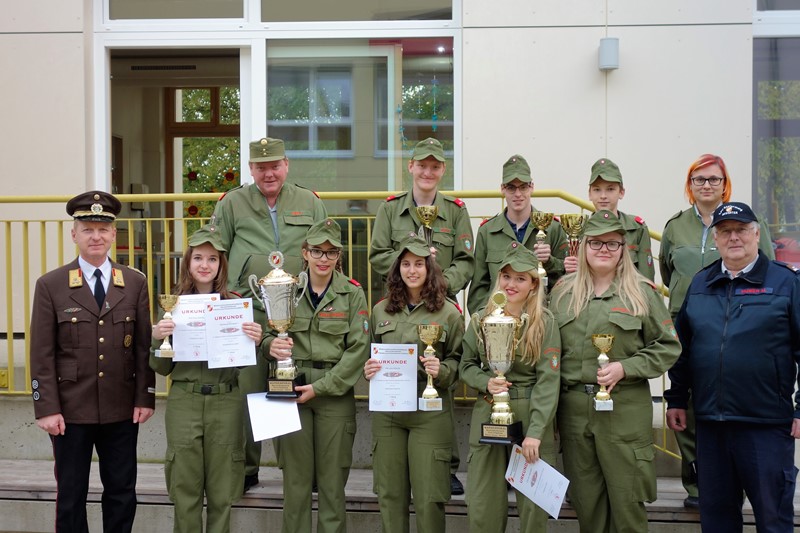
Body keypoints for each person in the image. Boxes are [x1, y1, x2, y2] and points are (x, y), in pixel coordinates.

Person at [665, 202, 800, 533]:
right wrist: (678, 397)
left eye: (741, 230)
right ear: (716, 239)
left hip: (766, 426)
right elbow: (683, 348)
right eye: (725, 231)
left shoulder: (785, 284)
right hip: (712, 427)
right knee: (717, 522)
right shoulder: (700, 284)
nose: (734, 237)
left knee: (773, 521)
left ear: (756, 234)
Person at [30, 191, 156, 532]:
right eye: (87, 229)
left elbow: (143, 346)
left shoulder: (134, 283)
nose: (96, 236)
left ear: (115, 234)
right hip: (70, 411)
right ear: (74, 235)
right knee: (71, 495)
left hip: (120, 407)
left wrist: (145, 396)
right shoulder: (51, 285)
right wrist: (46, 408)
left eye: (103, 229)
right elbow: (41, 354)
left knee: (121, 492)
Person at [550, 210, 680, 533]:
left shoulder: (642, 292)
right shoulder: (562, 293)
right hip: (575, 414)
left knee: (627, 509)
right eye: (595, 242)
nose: (603, 250)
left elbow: (669, 346)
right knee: (587, 508)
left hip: (623, 411)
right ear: (583, 247)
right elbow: (547, 353)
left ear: (624, 248)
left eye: (612, 243)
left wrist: (626, 367)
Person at [211, 136, 328, 491]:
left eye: (275, 165)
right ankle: (246, 469)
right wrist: (221, 301)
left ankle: (295, 471)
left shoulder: (309, 201)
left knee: (287, 388)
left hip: (296, 314)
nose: (269, 173)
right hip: (247, 313)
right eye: (261, 167)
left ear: (287, 165)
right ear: (251, 169)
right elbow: (216, 251)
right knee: (247, 391)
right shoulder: (232, 203)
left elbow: (325, 248)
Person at [660, 153, 775, 508]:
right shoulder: (675, 226)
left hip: (737, 324)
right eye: (699, 180)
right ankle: (698, 487)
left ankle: (735, 484)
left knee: (727, 402)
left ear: (725, 184)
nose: (706, 185)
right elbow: (669, 273)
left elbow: (767, 269)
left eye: (713, 179)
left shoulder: (748, 224)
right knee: (686, 405)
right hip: (687, 326)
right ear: (689, 186)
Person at [369, 136, 473, 494]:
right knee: (404, 374)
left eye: (435, 166)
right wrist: (409, 264)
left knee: (438, 377)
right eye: (421, 165)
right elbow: (378, 255)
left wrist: (439, 286)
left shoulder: (456, 211)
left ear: (442, 170)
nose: (427, 172)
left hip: (439, 306)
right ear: (411, 167)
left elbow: (466, 260)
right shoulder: (390, 209)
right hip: (401, 304)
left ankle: (446, 465)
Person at [149, 224, 263, 533]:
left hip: (225, 401)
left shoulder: (235, 304)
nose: (204, 265)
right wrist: (159, 339)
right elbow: (161, 369)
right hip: (185, 400)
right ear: (188, 262)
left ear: (220, 265)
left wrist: (255, 339)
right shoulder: (173, 304)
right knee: (185, 489)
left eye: (212, 259)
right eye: (198, 257)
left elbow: (243, 364)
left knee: (222, 491)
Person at [263, 219, 369, 533]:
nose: (323, 258)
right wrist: (273, 346)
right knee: (295, 486)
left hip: (332, 396)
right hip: (290, 392)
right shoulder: (285, 286)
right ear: (304, 253)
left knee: (332, 486)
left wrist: (321, 388)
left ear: (339, 256)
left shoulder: (352, 293)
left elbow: (358, 350)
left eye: (331, 252)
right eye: (317, 251)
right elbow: (267, 335)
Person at [363, 235, 464, 533]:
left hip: (429, 412)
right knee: (390, 496)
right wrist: (369, 368)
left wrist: (442, 370)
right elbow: (371, 352)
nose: (412, 270)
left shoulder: (448, 313)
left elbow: (461, 362)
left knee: (429, 498)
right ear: (397, 269)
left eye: (419, 264)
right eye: (405, 264)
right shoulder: (381, 310)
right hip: (389, 413)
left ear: (429, 268)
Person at [459, 242, 561, 533]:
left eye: (520, 278)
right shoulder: (481, 318)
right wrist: (486, 382)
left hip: (530, 412)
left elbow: (548, 381)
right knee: (483, 507)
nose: (512, 283)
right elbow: (465, 365)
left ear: (533, 284)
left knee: (533, 511)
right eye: (506, 276)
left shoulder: (545, 323)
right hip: (489, 409)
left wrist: (536, 433)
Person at [468, 154, 569, 314]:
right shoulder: (487, 231)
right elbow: (478, 288)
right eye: (511, 187)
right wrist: (486, 320)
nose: (518, 194)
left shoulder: (552, 228)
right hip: (499, 320)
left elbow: (567, 278)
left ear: (532, 187)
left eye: (523, 187)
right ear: (502, 189)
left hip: (541, 319)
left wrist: (550, 261)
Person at [564, 158, 654, 280]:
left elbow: (646, 277)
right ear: (589, 193)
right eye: (597, 190)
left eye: (610, 189)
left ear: (621, 192)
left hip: (627, 296)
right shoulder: (577, 229)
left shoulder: (636, 228)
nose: (603, 196)